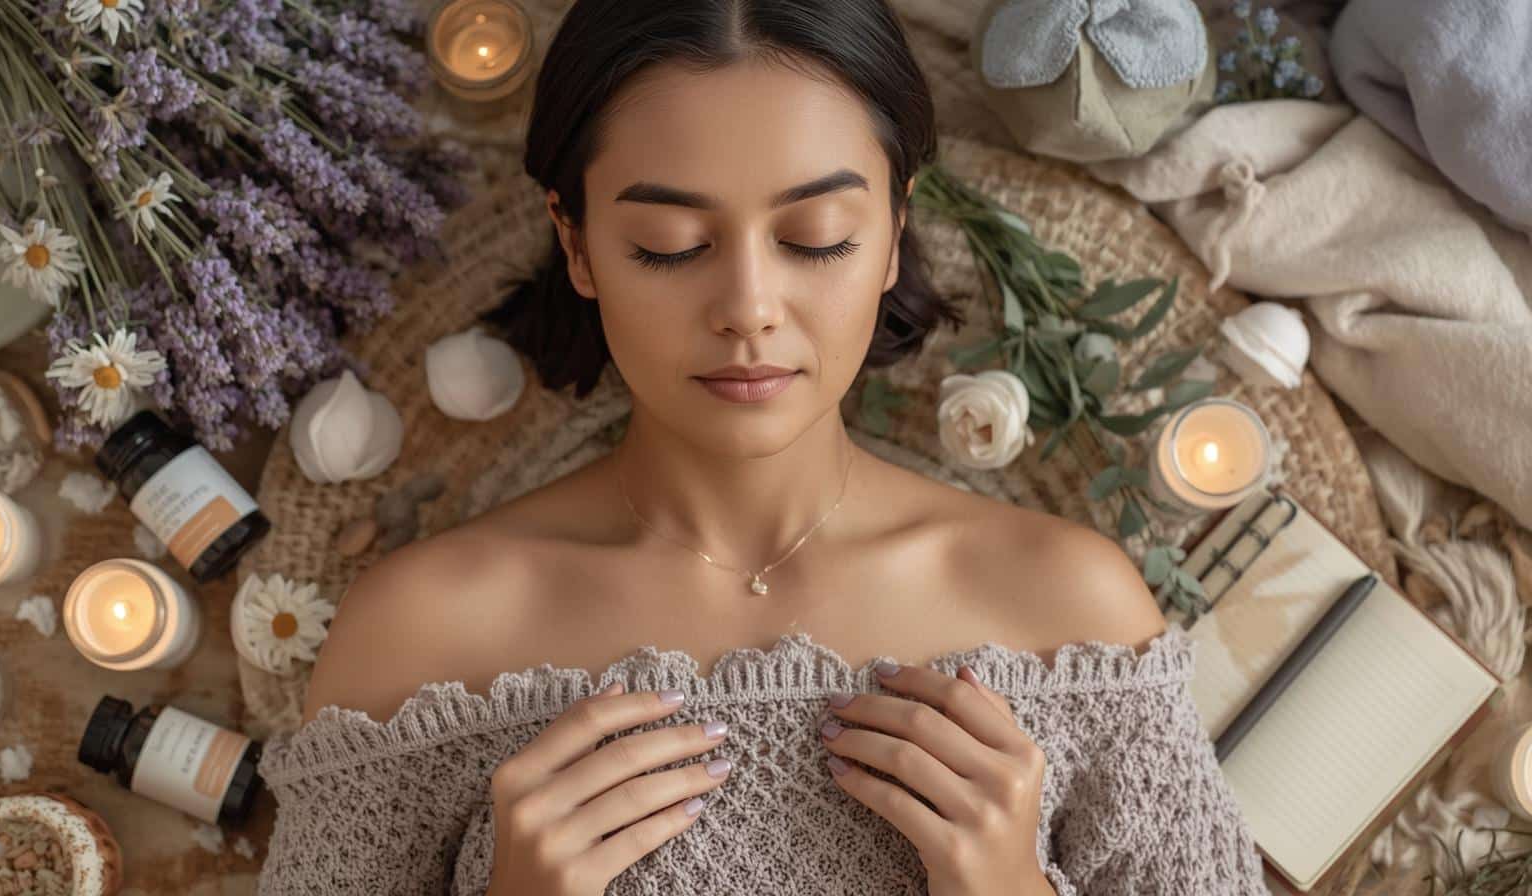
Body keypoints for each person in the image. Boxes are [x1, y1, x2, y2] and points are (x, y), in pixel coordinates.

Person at [257, 1, 1271, 893]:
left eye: (817, 234)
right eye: (669, 246)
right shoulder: (421, 640)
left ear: (890, 231)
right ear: (577, 244)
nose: (747, 309)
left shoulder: (1067, 614)